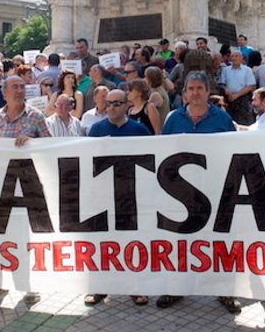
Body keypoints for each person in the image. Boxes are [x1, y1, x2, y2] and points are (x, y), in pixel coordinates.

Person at [160, 71, 240, 313]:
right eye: (190, 88)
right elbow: (163, 151)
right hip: (179, 193)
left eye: (199, 88)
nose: (195, 92)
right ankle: (176, 288)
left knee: (219, 242)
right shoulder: (173, 119)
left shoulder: (222, 119)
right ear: (185, 93)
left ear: (207, 91)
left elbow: (234, 151)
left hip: (214, 189)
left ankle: (224, 291)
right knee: (180, 242)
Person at [0, 75, 51, 303]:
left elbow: (51, 147)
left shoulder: (36, 116)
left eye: (22, 87)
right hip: (0, 187)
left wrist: (32, 142)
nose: (20, 90)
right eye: (15, 87)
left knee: (24, 237)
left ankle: (30, 287)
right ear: (4, 93)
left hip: (27, 188)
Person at [85, 89, 151, 306]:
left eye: (116, 103)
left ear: (126, 106)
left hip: (130, 195)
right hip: (102, 195)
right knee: (103, 243)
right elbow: (87, 160)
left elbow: (152, 158)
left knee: (131, 243)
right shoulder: (96, 129)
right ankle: (100, 287)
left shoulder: (140, 130)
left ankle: (135, 286)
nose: (111, 107)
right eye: (109, 103)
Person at [219, 50, 256, 125]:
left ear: (241, 58)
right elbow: (221, 84)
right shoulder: (226, 70)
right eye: (232, 56)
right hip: (229, 99)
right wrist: (226, 89)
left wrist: (236, 95)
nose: (234, 58)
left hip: (242, 99)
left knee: (243, 121)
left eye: (236, 56)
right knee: (229, 121)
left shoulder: (247, 70)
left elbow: (250, 86)